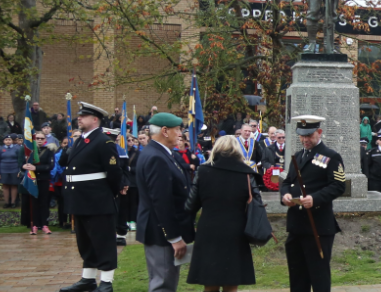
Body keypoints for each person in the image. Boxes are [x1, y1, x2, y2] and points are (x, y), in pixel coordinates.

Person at [59, 102, 126, 292]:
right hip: (80, 199)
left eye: (84, 116)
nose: (79, 118)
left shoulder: (103, 141)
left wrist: (109, 195)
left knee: (102, 241)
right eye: (79, 115)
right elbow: (66, 162)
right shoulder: (82, 140)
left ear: (95, 119)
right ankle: (88, 279)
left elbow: (114, 173)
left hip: (97, 200)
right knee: (85, 241)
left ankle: (106, 282)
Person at [280, 115, 347, 292]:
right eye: (302, 136)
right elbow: (287, 182)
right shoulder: (298, 156)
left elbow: (338, 186)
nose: (304, 140)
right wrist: (285, 195)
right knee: (297, 276)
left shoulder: (331, 156)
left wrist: (315, 198)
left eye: (308, 135)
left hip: (317, 225)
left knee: (319, 276)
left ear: (319, 132)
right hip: (296, 225)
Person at [185, 133, 258, 291]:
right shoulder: (246, 173)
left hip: (209, 230)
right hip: (236, 230)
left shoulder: (203, 171)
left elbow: (191, 205)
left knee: (210, 282)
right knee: (231, 283)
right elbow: (256, 203)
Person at [132, 113, 194, 292]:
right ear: (165, 131)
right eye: (177, 130)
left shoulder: (163, 154)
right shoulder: (156, 157)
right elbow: (161, 201)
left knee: (166, 281)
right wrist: (174, 237)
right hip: (161, 233)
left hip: (161, 230)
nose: (180, 134)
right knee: (163, 284)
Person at [22, 132, 56, 235]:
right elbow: (22, 163)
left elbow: (50, 165)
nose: (40, 140)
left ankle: (44, 224)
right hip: (33, 180)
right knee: (34, 203)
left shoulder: (49, 151)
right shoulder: (31, 151)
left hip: (44, 179)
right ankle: (35, 225)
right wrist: (24, 166)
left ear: (45, 139)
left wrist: (36, 168)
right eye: (37, 138)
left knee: (44, 203)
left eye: (42, 138)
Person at [0, 134, 25, 208]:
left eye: (9, 140)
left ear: (12, 141)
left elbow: (20, 160)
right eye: (6, 140)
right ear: (3, 141)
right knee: (5, 186)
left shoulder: (17, 149)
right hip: (3, 170)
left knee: (14, 186)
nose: (8, 141)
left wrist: (19, 171)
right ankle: (6, 202)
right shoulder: (0, 149)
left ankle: (13, 202)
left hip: (14, 169)